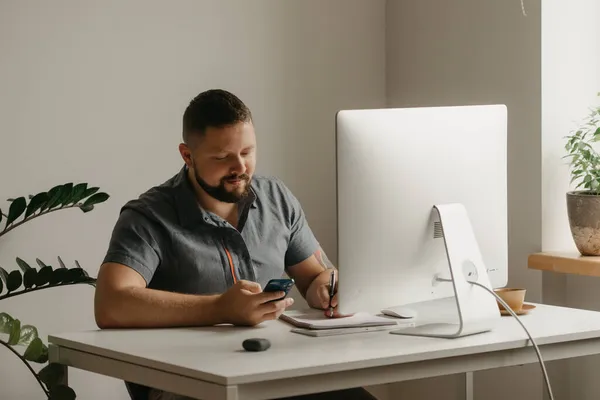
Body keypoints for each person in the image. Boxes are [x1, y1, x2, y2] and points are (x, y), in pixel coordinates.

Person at [94, 89, 378, 400]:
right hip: (186, 382)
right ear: (187, 155)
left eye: (247, 152)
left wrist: (327, 287)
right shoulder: (148, 216)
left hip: (275, 370)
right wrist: (220, 308)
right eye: (222, 157)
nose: (240, 167)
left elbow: (314, 276)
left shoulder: (276, 199)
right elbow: (111, 304)